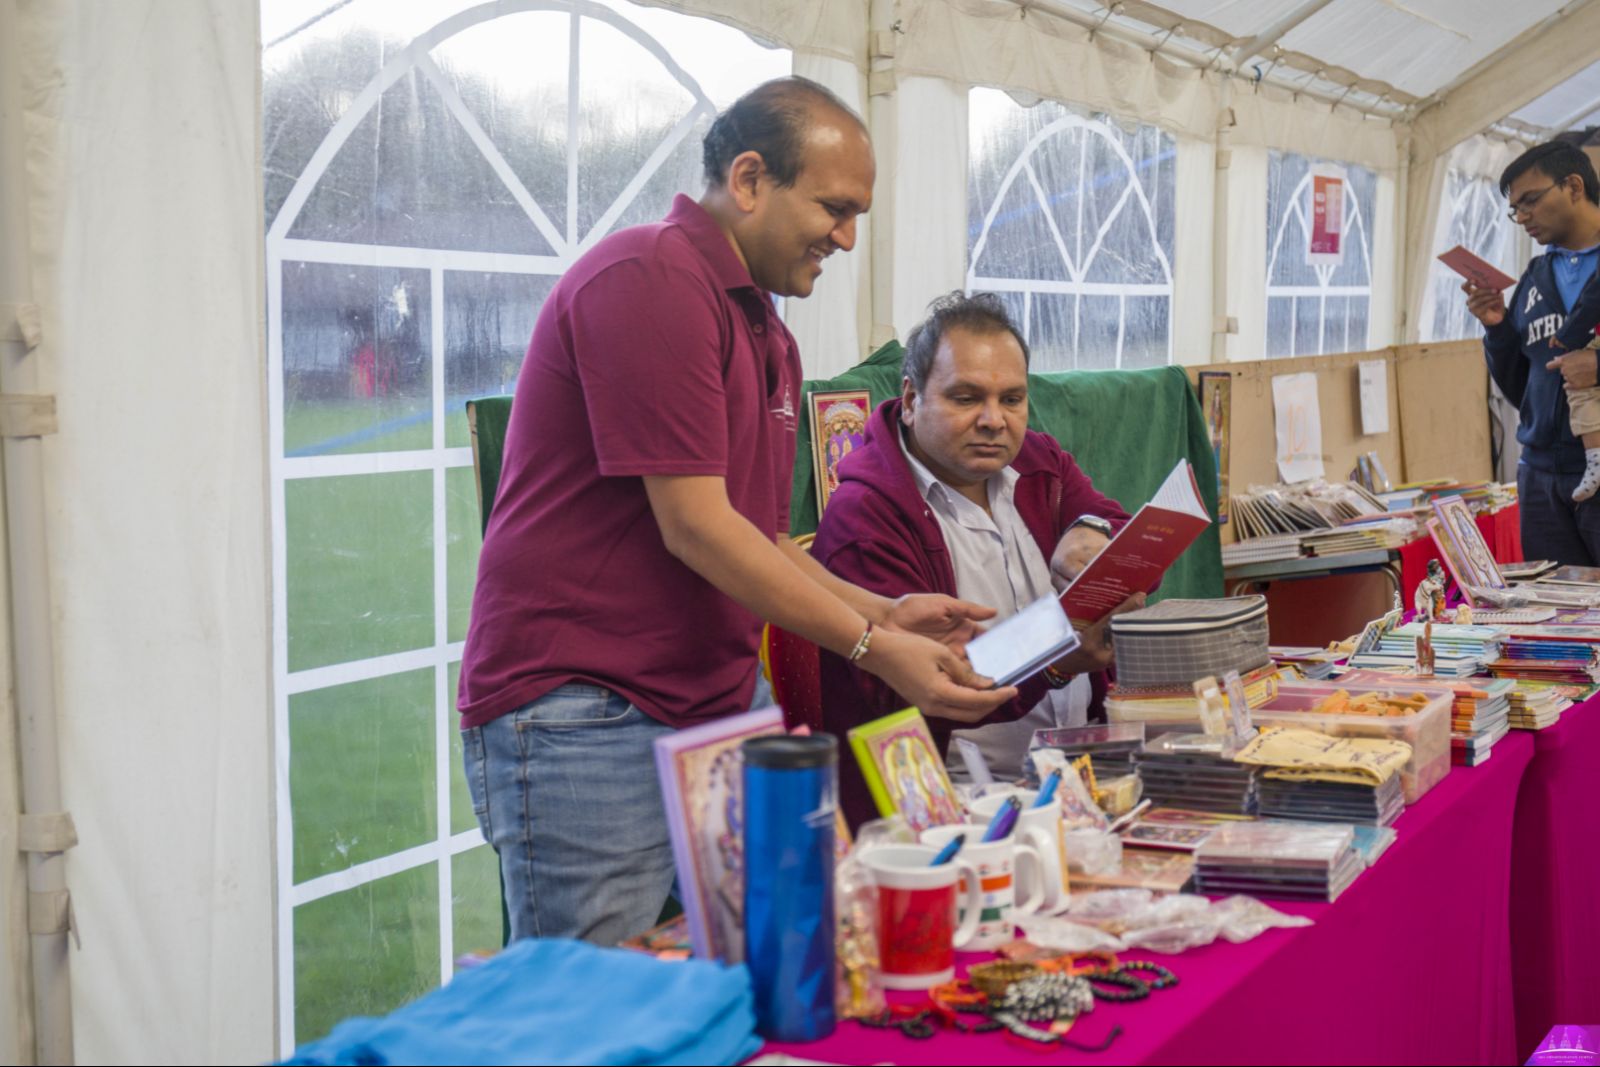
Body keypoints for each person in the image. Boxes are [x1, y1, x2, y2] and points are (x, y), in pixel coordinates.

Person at [456, 78, 1014, 946]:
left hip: (711, 696)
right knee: (603, 996)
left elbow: (756, 535)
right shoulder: (649, 278)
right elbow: (695, 526)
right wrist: (870, 646)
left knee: (772, 960)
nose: (847, 237)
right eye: (834, 208)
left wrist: (882, 611)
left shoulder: (766, 330)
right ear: (750, 179)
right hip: (590, 709)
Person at [810, 291, 1145, 823]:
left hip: (1080, 776)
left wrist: (1091, 529)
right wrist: (1056, 664)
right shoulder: (866, 517)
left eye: (1012, 399)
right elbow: (922, 687)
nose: (994, 420)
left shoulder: (1039, 461)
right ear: (911, 399)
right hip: (949, 807)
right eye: (966, 398)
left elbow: (1122, 528)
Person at [1466, 141, 1600, 561]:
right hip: (1542, 477)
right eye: (1515, 209)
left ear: (1574, 186)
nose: (1522, 217)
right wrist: (1497, 328)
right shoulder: (1535, 277)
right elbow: (1520, 387)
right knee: (1553, 600)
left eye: (1530, 201)